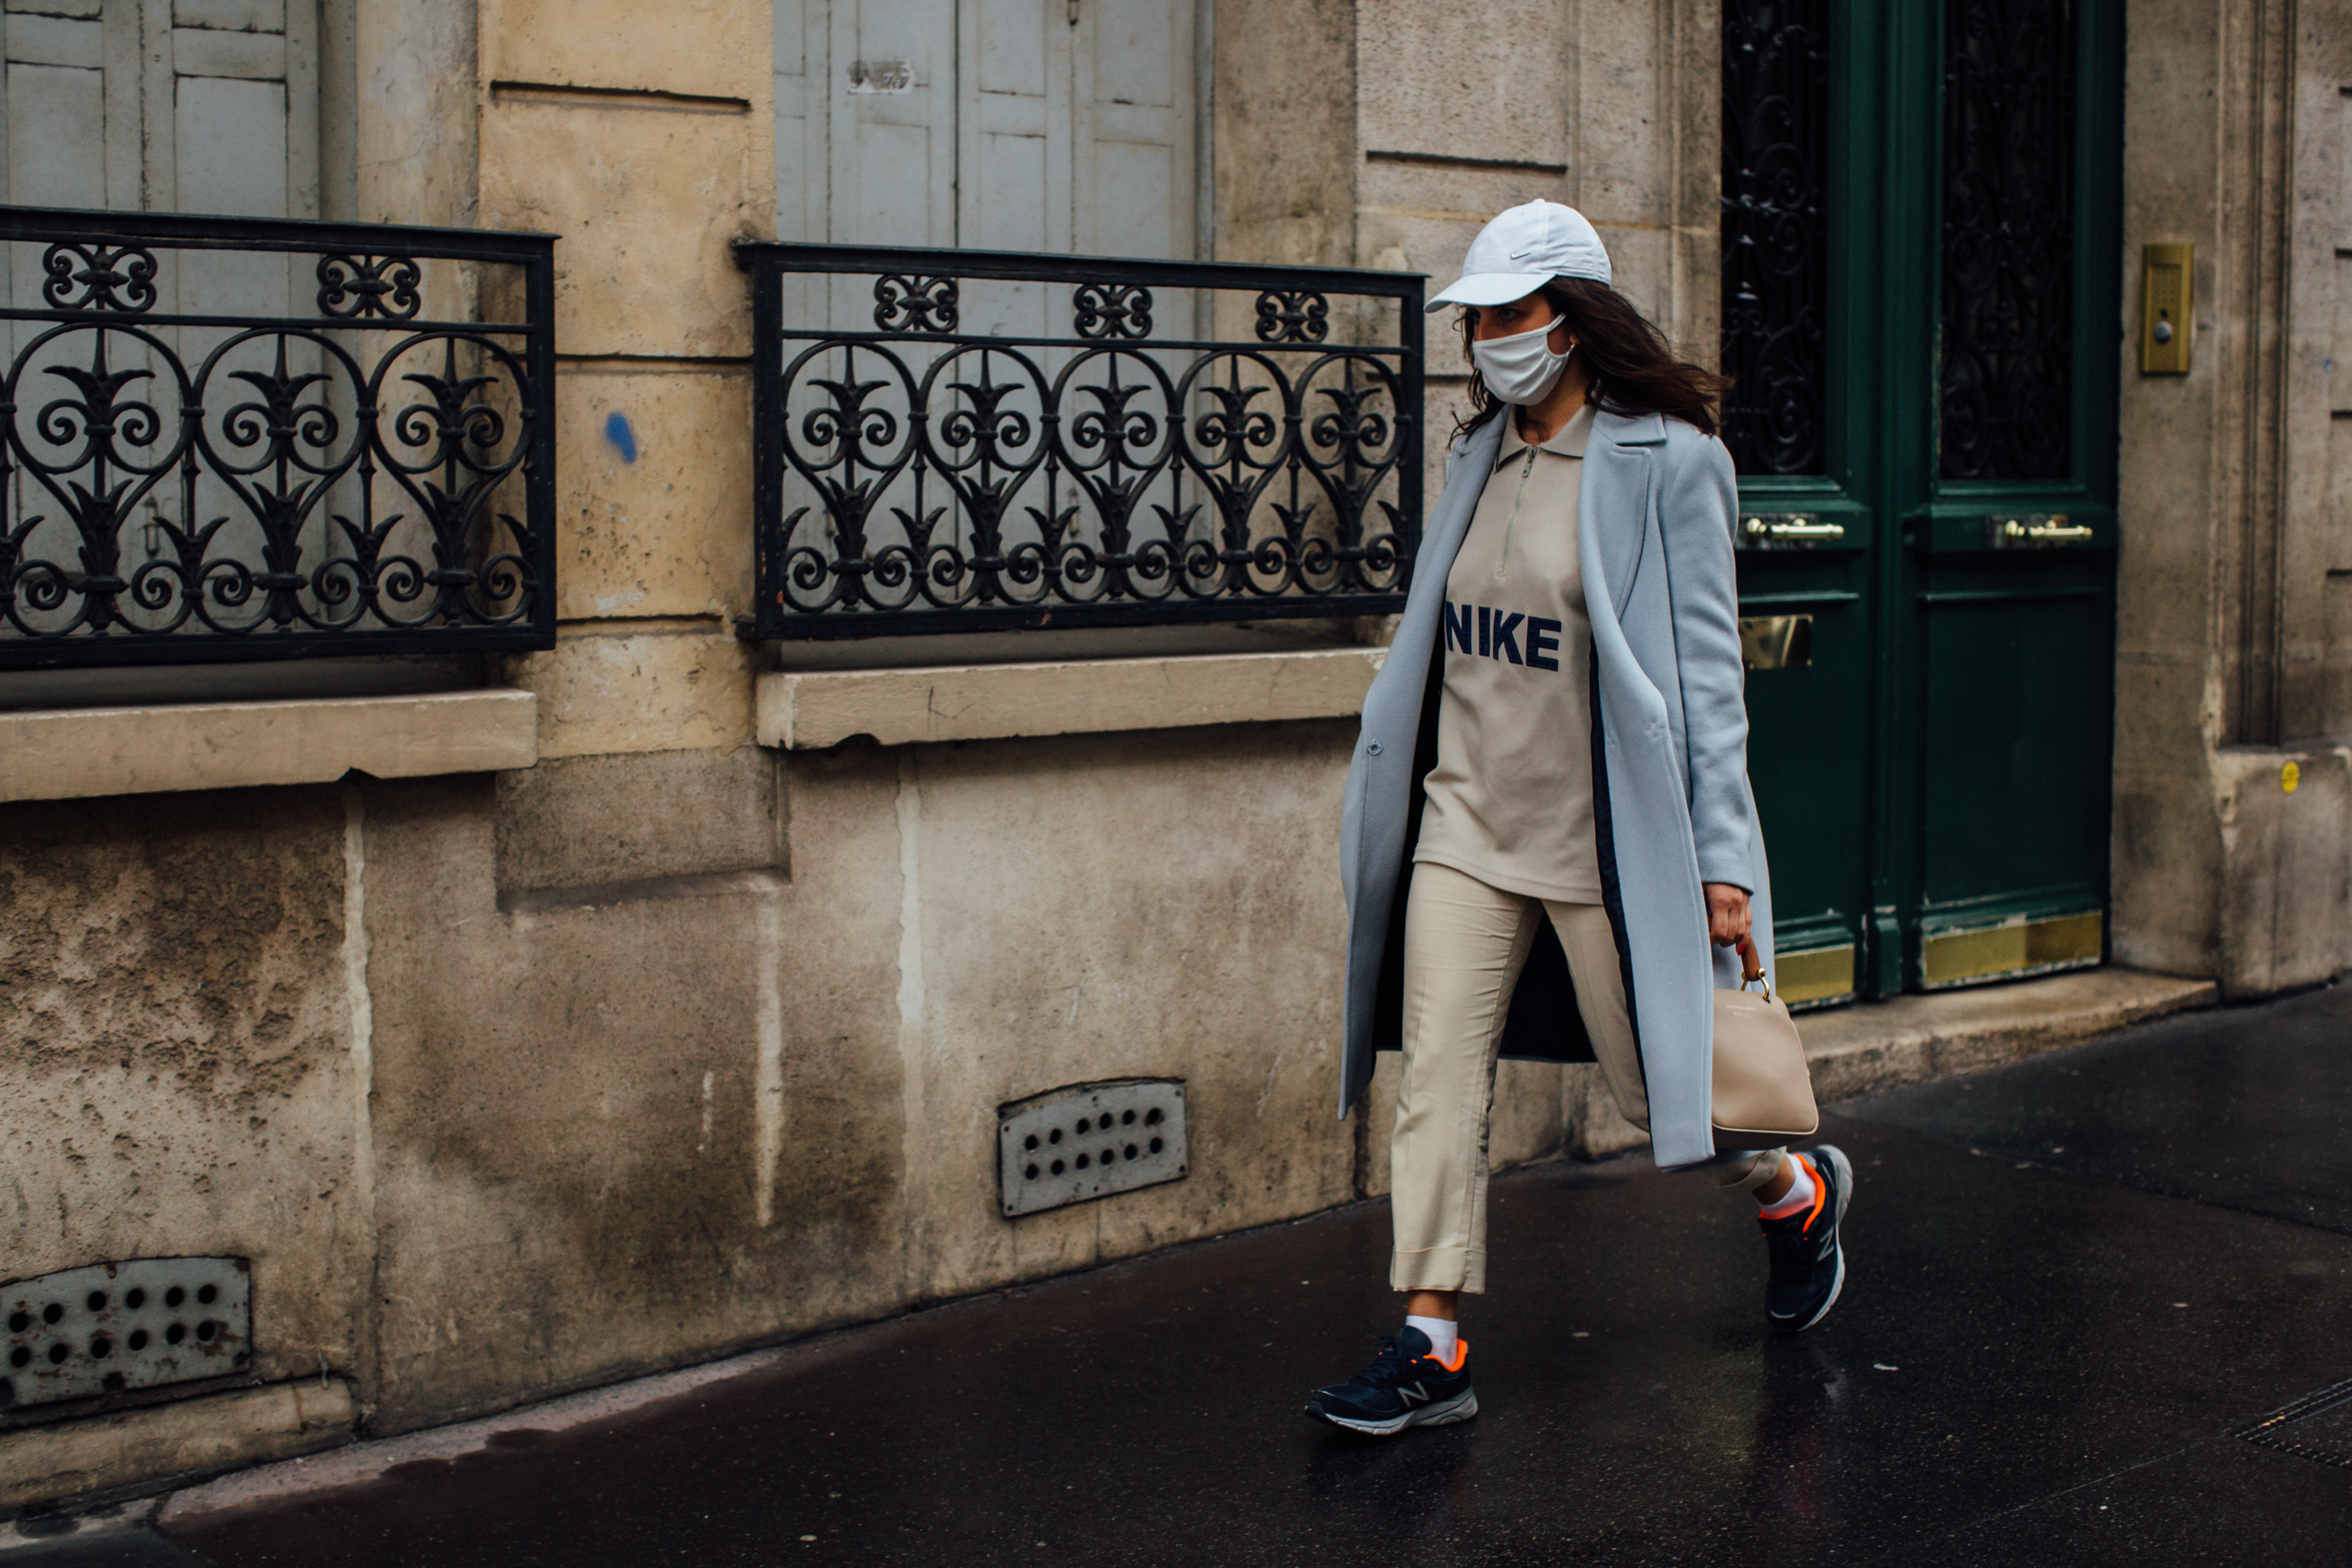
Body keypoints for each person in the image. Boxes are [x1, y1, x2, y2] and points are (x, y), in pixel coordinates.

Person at [1307, 201, 1853, 1437]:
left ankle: (1793, 1189)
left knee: (1668, 1094)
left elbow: (1710, 681)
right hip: (1466, 824)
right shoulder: (1476, 452)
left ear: (1571, 318)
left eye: (1509, 313)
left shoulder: (1668, 460)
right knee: (1436, 1077)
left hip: (1603, 845)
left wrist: (1721, 859)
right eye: (1478, 317)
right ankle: (1431, 1342)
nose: (1488, 336)